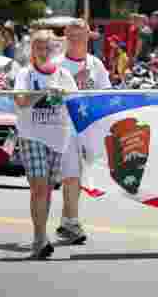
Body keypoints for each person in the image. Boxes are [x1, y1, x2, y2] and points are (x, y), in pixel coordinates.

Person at [13, 30, 78, 259]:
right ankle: (39, 238)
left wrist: (64, 93)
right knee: (39, 187)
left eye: (48, 47)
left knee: (47, 190)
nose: (44, 51)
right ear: (33, 50)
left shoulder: (64, 75)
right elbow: (20, 101)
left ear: (55, 49)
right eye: (39, 47)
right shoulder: (25, 73)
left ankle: (40, 237)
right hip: (31, 135)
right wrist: (42, 92)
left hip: (58, 137)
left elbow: (77, 105)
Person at [56, 19, 111, 246]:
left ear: (89, 36)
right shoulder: (57, 64)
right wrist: (75, 86)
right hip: (63, 127)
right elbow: (50, 98)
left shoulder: (95, 64)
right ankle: (71, 222)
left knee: (78, 177)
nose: (77, 39)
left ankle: (66, 219)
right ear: (66, 36)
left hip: (88, 129)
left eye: (81, 35)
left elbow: (106, 93)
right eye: (73, 35)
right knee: (71, 175)